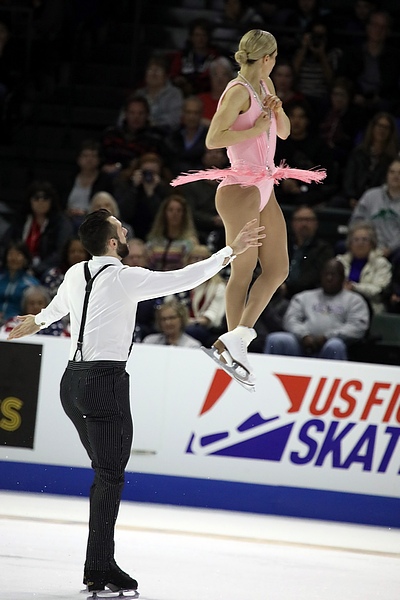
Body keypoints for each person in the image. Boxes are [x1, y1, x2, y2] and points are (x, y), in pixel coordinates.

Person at [7, 208, 265, 593]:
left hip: (72, 384)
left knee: (105, 474)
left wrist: (37, 321)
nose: (126, 229)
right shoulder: (127, 278)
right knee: (110, 476)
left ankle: (101, 562)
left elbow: (56, 309)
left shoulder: (77, 272)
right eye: (119, 227)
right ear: (113, 243)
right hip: (104, 383)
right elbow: (184, 278)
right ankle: (98, 567)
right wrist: (230, 251)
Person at [170, 29, 326, 387]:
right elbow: (213, 139)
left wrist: (277, 111)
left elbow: (284, 133)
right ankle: (231, 344)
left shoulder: (266, 86)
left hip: (265, 185)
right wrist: (254, 127)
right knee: (244, 269)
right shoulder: (239, 91)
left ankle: (238, 337)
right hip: (239, 186)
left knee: (277, 269)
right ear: (268, 57)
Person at [264, 259, 370, 360]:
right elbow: (290, 320)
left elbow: (357, 327)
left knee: (335, 346)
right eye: (326, 274)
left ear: (343, 278)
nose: (329, 278)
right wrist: (304, 335)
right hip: (301, 344)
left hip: (332, 345)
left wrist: (327, 337)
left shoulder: (355, 301)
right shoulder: (303, 297)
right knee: (276, 339)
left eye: (334, 275)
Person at [166, 244, 227, 347]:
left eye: (203, 258)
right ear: (188, 260)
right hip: (176, 323)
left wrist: (189, 321)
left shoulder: (218, 286)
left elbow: (213, 314)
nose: (199, 261)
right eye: (195, 258)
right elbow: (168, 304)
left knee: (192, 331)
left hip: (202, 327)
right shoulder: (179, 280)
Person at [335, 111, 399, 209]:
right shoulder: (358, 153)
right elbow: (349, 177)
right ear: (373, 127)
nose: (382, 130)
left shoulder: (392, 159)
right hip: (354, 197)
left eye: (386, 127)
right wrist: (351, 197)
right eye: (379, 126)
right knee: (337, 203)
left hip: (379, 200)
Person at [13, 180, 73, 279]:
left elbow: (60, 252)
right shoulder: (21, 220)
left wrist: (37, 269)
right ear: (30, 201)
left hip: (47, 268)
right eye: (36, 198)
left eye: (45, 198)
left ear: (51, 201)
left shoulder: (61, 223)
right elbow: (7, 243)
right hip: (19, 265)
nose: (41, 202)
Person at [350, 158, 400, 262]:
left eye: (399, 173)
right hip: (367, 244)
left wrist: (390, 248)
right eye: (392, 172)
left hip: (395, 249)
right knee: (341, 247)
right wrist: (364, 242)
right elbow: (356, 222)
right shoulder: (370, 195)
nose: (396, 176)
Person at [336, 220, 392, 314]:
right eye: (356, 240)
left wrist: (354, 287)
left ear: (372, 243)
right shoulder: (339, 261)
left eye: (364, 239)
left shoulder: (381, 263)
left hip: (370, 308)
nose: (360, 243)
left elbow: (378, 290)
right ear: (350, 243)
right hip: (339, 306)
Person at [281, 205, 334, 300]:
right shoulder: (282, 245)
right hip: (277, 294)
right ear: (292, 223)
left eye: (308, 220)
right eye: (300, 220)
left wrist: (288, 288)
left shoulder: (323, 249)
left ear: (316, 223)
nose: (304, 224)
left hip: (309, 297)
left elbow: (314, 277)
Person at [65, 140, 113, 229]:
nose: (89, 159)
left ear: (99, 160)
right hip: (69, 219)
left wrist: (87, 212)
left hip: (94, 221)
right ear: (78, 159)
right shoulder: (69, 179)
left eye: (93, 156)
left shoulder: (105, 181)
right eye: (85, 156)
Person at [146, 194, 198, 271]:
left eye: (179, 211)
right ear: (164, 213)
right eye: (170, 210)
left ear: (184, 214)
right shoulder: (154, 240)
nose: (174, 214)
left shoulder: (190, 242)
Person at [1, 284, 68, 335]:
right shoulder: (13, 324)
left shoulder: (58, 327)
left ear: (47, 305)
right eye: (31, 303)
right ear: (25, 305)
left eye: (40, 303)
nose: (36, 307)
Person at [0, 241, 39, 326]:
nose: (14, 258)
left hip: (17, 324)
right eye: (11, 254)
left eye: (18, 254)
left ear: (25, 258)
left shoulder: (31, 284)